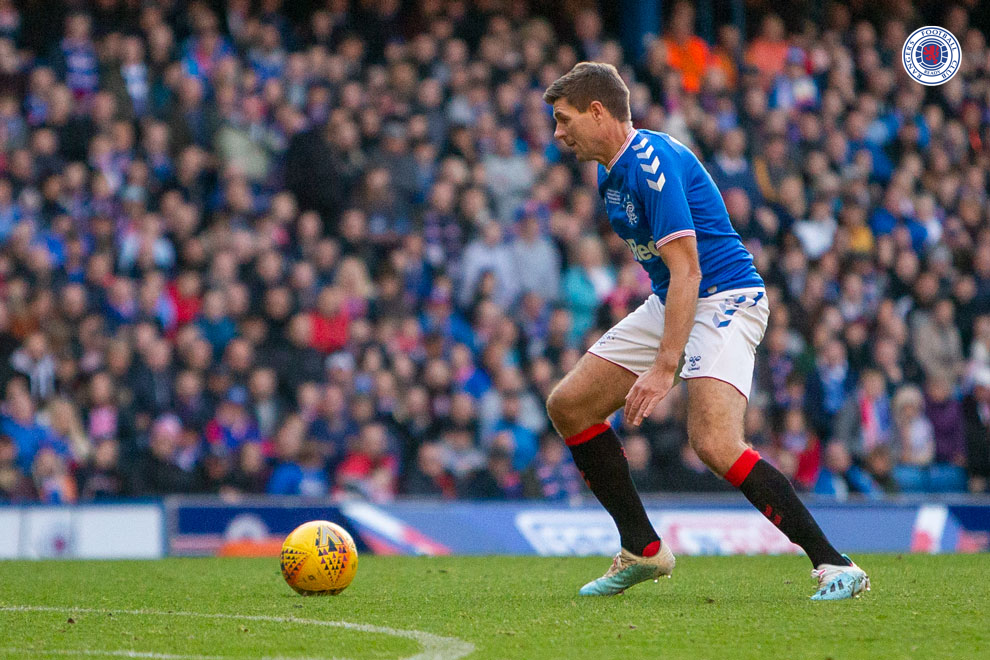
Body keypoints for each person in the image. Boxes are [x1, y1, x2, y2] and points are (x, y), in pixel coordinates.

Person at [542, 62, 869, 600]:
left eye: (564, 119)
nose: (558, 134)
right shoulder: (607, 172)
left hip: (725, 296)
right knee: (570, 405)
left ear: (598, 112)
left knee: (715, 443)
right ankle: (643, 548)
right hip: (675, 295)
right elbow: (670, 274)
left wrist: (663, 368)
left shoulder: (650, 165)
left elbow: (690, 269)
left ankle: (836, 565)